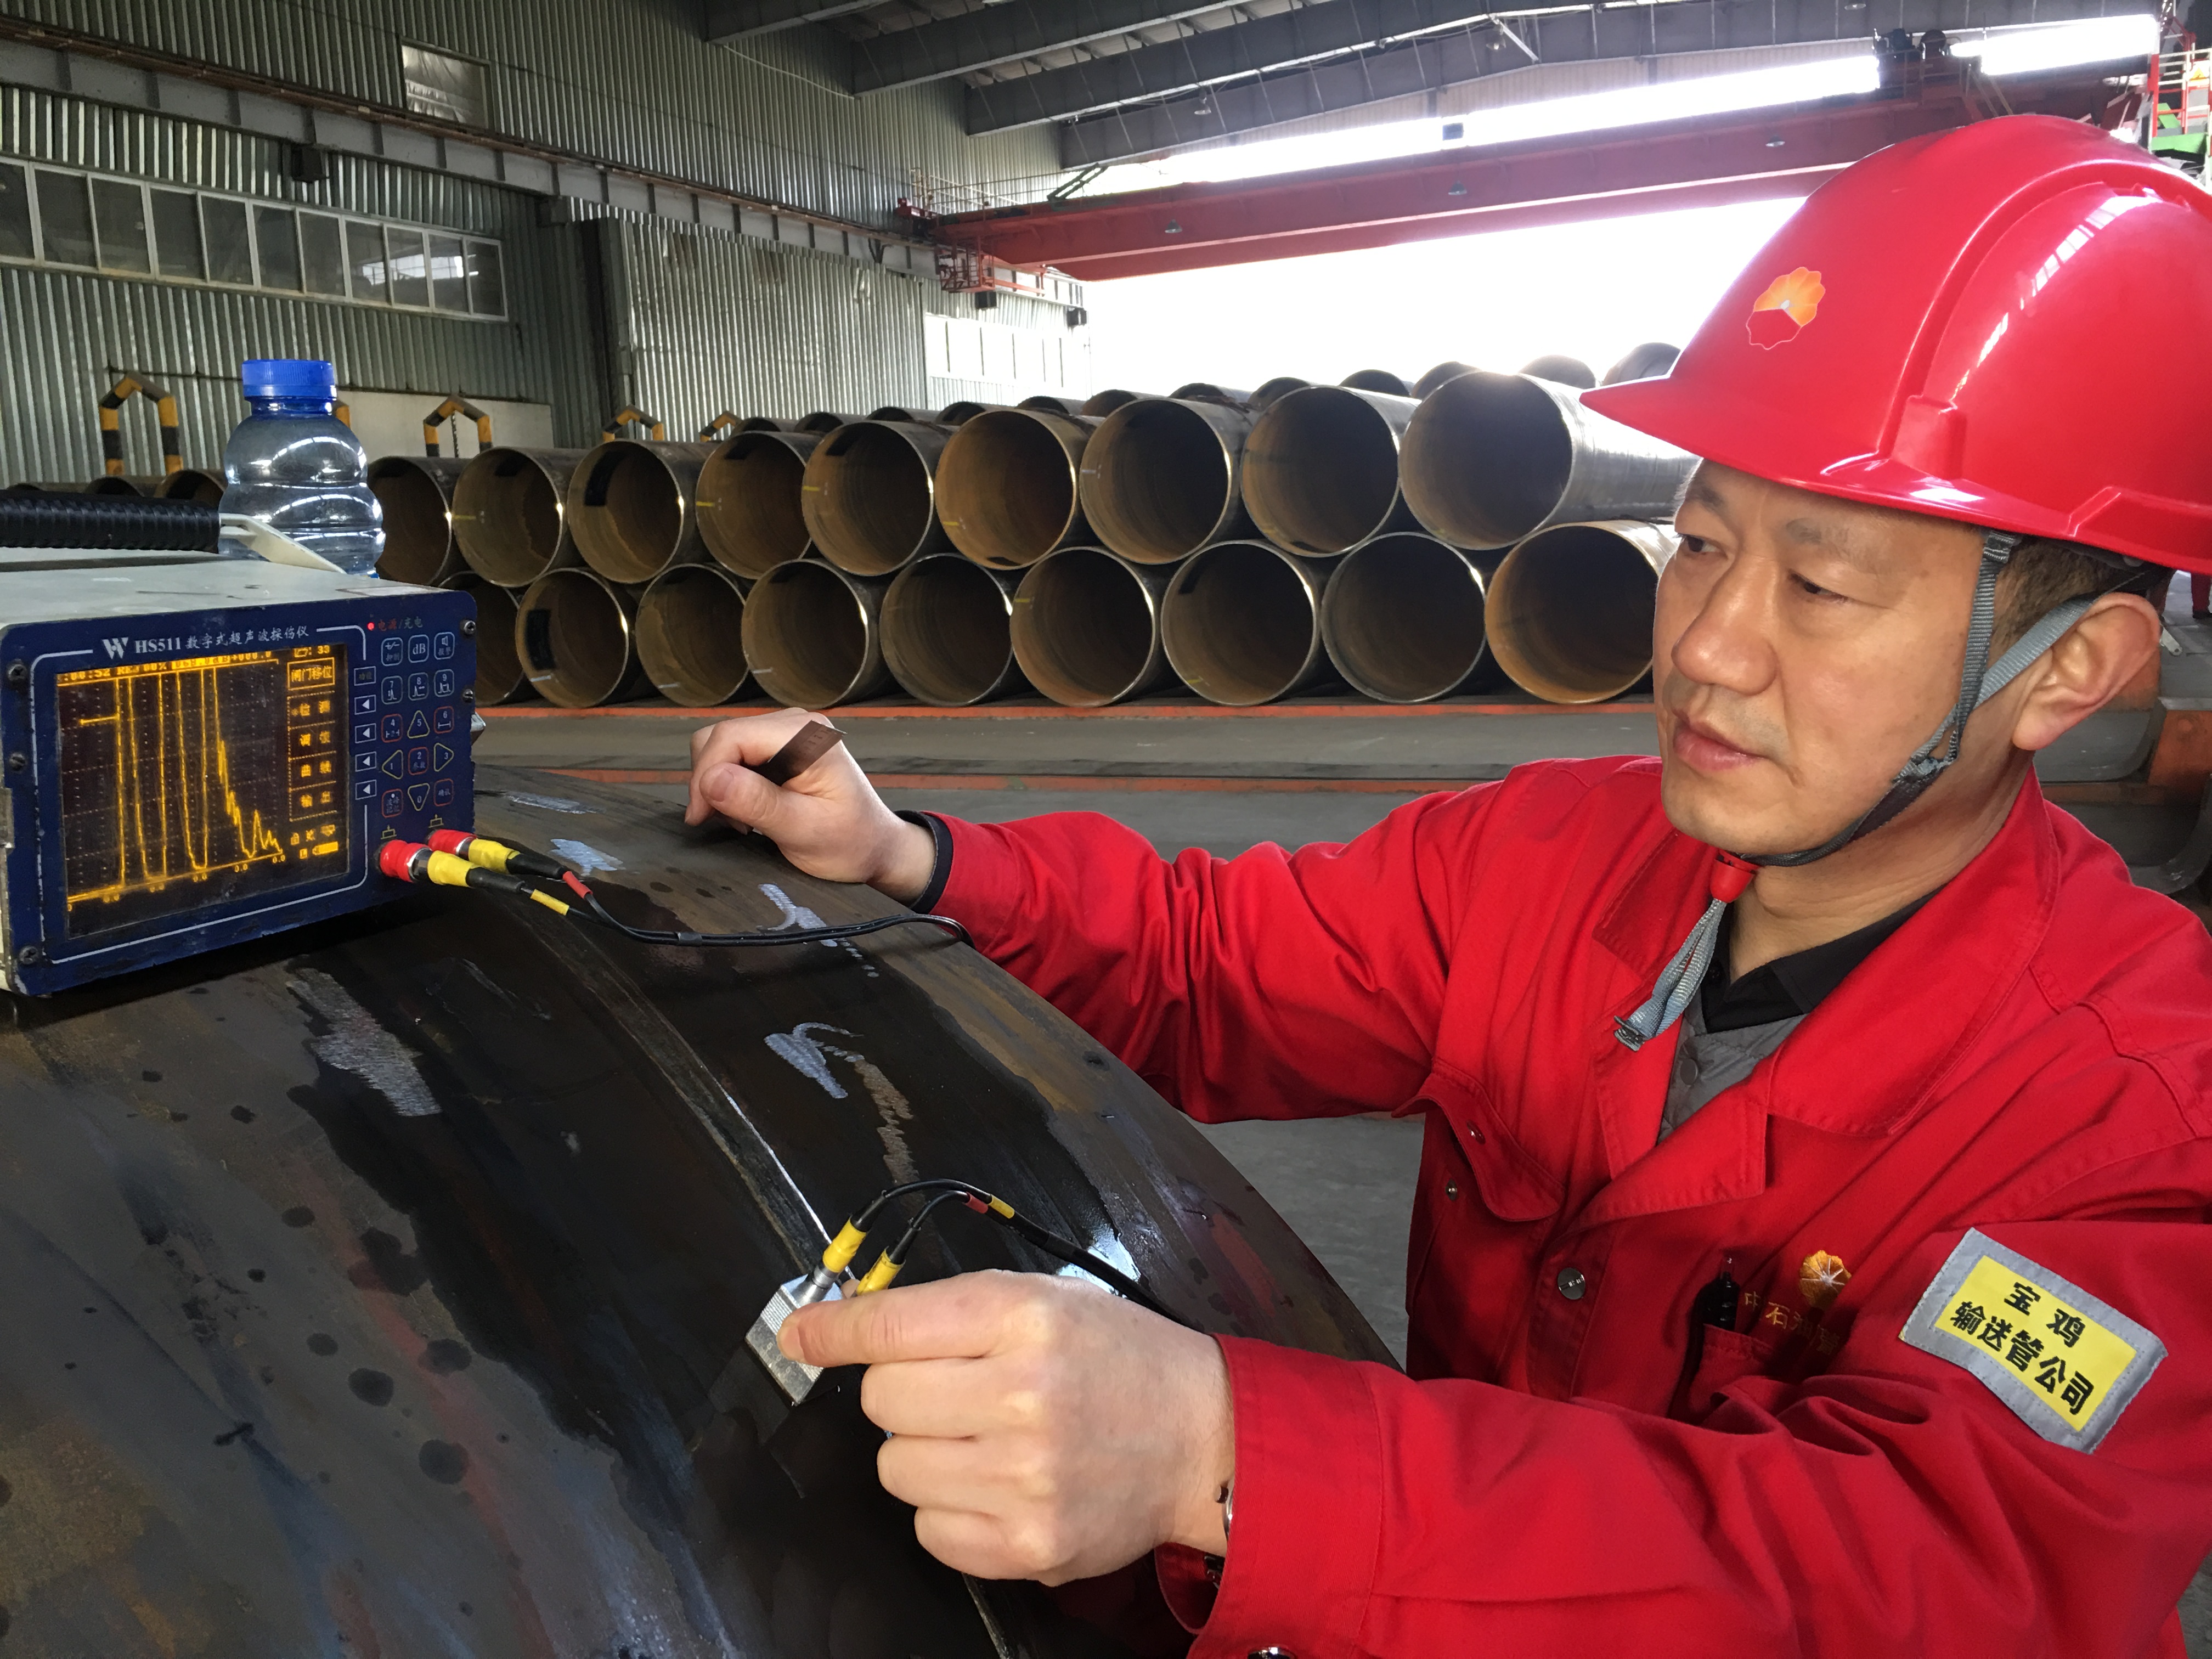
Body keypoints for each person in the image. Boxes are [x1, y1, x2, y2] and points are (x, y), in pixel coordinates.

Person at [686, 116, 2212, 1656]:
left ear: (2066, 669)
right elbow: (1210, 960)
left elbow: (1929, 1572)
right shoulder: (1549, 860)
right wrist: (912, 860)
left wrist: (1226, 1458)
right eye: (1699, 545)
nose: (1706, 646)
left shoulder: (2138, 1111)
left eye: (1820, 585)